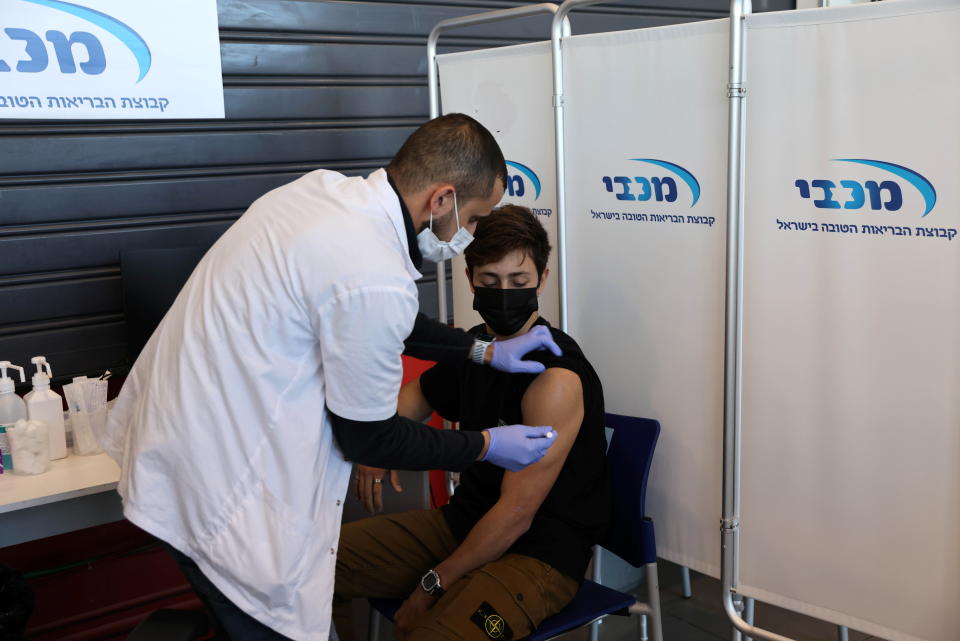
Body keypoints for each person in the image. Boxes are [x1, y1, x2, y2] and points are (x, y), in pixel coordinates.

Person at [99, 115, 563, 641]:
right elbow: (367, 436)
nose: (470, 235)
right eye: (474, 219)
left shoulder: (317, 194)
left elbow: (382, 319)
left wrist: (482, 350)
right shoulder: (372, 274)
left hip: (180, 452)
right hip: (226, 495)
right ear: (442, 200)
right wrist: (484, 446)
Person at [333, 204, 613, 641]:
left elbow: (516, 514)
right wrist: (374, 439)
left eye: (518, 282)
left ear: (542, 278)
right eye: (489, 281)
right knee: (314, 567)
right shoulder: (478, 348)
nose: (504, 293)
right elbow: (414, 399)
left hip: (538, 555)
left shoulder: (555, 380)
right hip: (463, 524)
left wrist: (432, 585)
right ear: (469, 280)